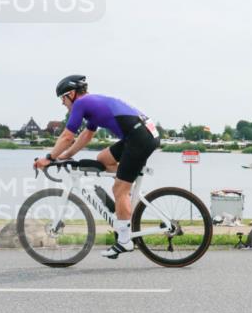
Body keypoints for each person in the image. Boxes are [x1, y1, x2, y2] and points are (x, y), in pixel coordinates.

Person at [34, 75, 161, 259]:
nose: (62, 103)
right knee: (103, 158)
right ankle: (125, 193)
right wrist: (64, 156)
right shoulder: (91, 104)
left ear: (71, 94)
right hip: (140, 135)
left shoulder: (81, 104)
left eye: (62, 98)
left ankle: (124, 240)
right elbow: (86, 135)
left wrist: (49, 158)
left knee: (119, 188)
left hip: (139, 138)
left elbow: (67, 137)